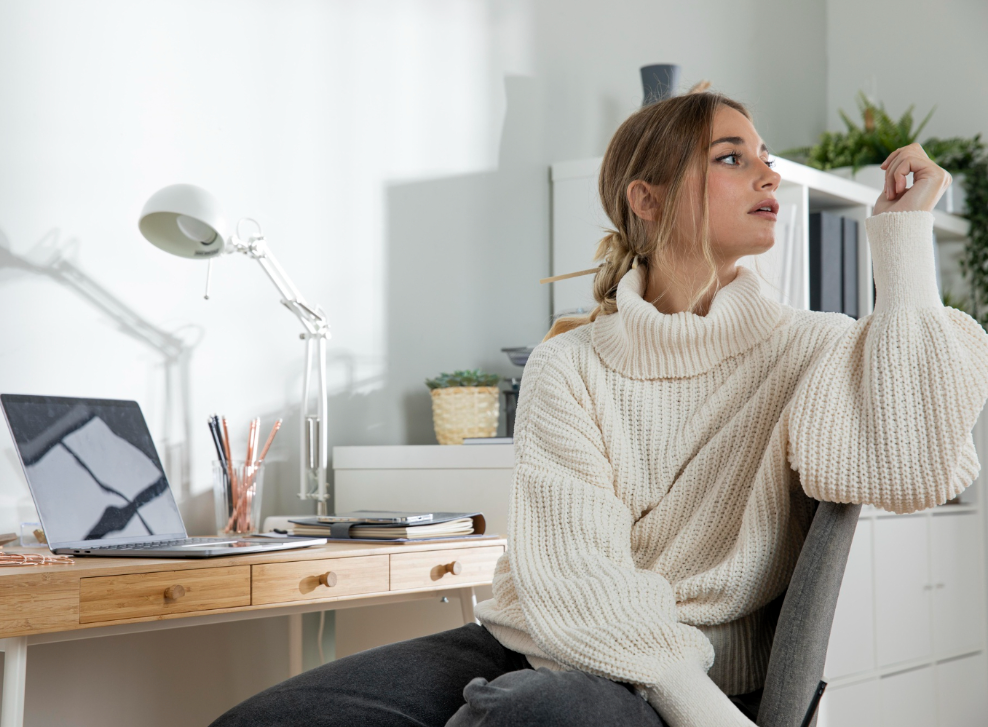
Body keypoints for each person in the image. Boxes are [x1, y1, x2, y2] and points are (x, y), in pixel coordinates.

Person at [209, 91, 988, 727]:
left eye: (764, 157)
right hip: (543, 639)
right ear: (645, 199)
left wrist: (903, 237)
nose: (767, 175)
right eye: (731, 157)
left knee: (533, 716)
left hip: (695, 675)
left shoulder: (811, 348)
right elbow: (577, 581)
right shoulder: (571, 366)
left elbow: (913, 466)